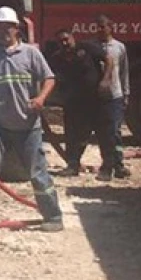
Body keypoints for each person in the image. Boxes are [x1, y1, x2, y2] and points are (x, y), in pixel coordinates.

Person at [0, 7, 64, 232]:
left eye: (7, 27)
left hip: (28, 125)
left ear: (17, 29)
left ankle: (53, 217)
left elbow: (49, 78)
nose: (3, 31)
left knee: (37, 173)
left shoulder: (31, 54)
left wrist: (41, 98)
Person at [48, 29, 111, 175]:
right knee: (72, 135)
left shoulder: (87, 48)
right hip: (73, 102)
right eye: (61, 41)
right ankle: (72, 165)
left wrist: (106, 80)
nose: (65, 43)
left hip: (95, 99)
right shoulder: (57, 58)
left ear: (73, 37)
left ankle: (108, 167)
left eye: (66, 39)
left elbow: (108, 59)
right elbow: (52, 76)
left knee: (104, 134)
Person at [95, 14, 131, 180]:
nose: (100, 30)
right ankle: (106, 166)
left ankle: (119, 165)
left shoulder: (119, 47)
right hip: (99, 97)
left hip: (115, 95)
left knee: (115, 131)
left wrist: (126, 93)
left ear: (111, 27)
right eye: (98, 27)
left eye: (103, 26)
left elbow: (124, 72)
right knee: (103, 132)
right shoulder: (93, 47)